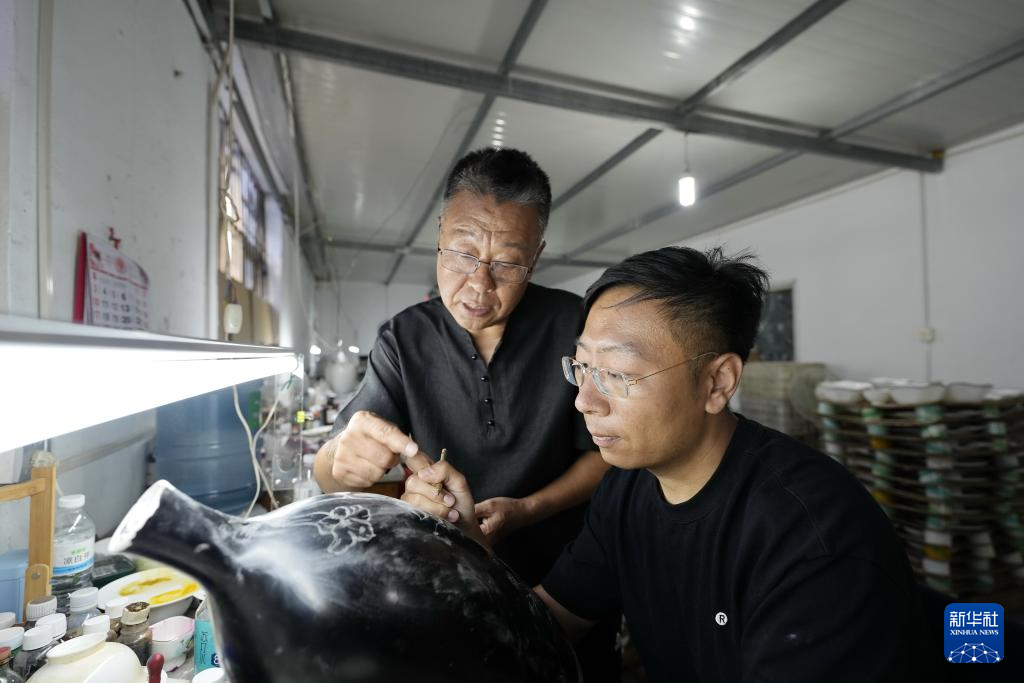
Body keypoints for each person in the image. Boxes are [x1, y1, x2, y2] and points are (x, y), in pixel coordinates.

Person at [403, 246, 934, 682]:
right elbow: (552, 620)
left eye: (617, 374)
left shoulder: (812, 538)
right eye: (582, 367)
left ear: (717, 383)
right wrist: (470, 547)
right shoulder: (626, 489)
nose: (584, 400)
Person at [314, 147, 618, 678]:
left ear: (536, 256)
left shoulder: (576, 327)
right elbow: (330, 474)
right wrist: (341, 461)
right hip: (448, 580)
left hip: (567, 575)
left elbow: (608, 455)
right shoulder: (404, 339)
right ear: (440, 232)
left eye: (507, 264)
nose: (479, 285)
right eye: (462, 253)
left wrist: (527, 509)